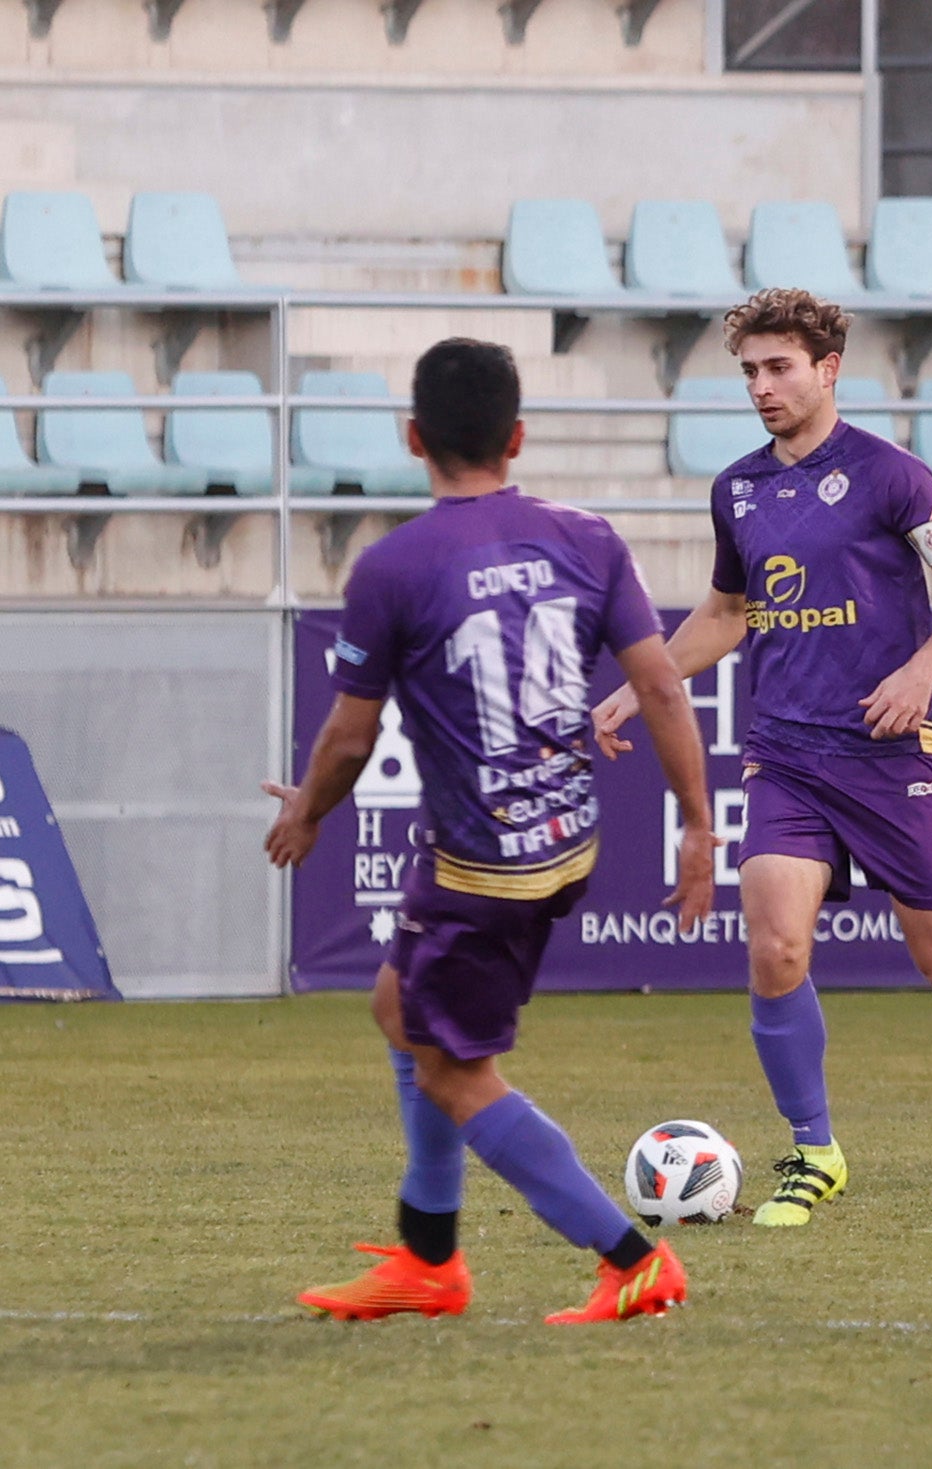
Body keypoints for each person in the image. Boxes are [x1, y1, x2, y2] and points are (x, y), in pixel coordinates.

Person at [593, 288, 932, 1227]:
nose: (761, 387)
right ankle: (813, 1151)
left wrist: (921, 672)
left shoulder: (890, 475)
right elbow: (725, 615)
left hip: (889, 755)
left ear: (828, 368)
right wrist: (644, 683)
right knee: (776, 943)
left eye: (778, 367)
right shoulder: (739, 489)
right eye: (749, 370)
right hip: (786, 755)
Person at [265, 337, 718, 1323]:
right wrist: (696, 823)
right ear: (518, 437)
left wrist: (305, 810)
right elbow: (659, 687)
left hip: (481, 869)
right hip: (563, 841)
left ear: (413, 437)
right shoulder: (588, 537)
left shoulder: (393, 565)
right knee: (399, 1003)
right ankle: (429, 1250)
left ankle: (631, 1255)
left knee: (453, 1066)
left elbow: (350, 732)